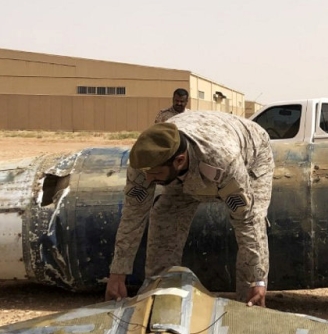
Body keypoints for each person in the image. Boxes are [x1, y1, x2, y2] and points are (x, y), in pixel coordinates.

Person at [105, 112, 274, 307]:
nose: (150, 181)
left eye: (156, 174)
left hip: (250, 153)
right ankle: (159, 297)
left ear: (179, 160)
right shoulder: (145, 161)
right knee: (162, 217)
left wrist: (258, 279)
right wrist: (117, 273)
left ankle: (250, 304)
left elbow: (247, 221)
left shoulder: (223, 161)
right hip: (185, 167)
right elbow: (133, 216)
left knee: (253, 222)